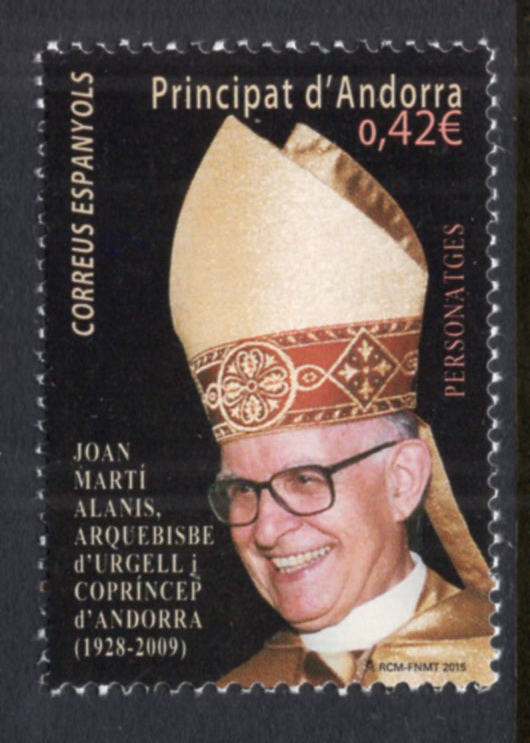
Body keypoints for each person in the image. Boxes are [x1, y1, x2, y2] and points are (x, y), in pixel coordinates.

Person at [169, 116, 495, 687]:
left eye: (304, 479)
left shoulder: (498, 669)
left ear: (403, 481)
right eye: (242, 490)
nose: (266, 530)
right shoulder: (225, 698)